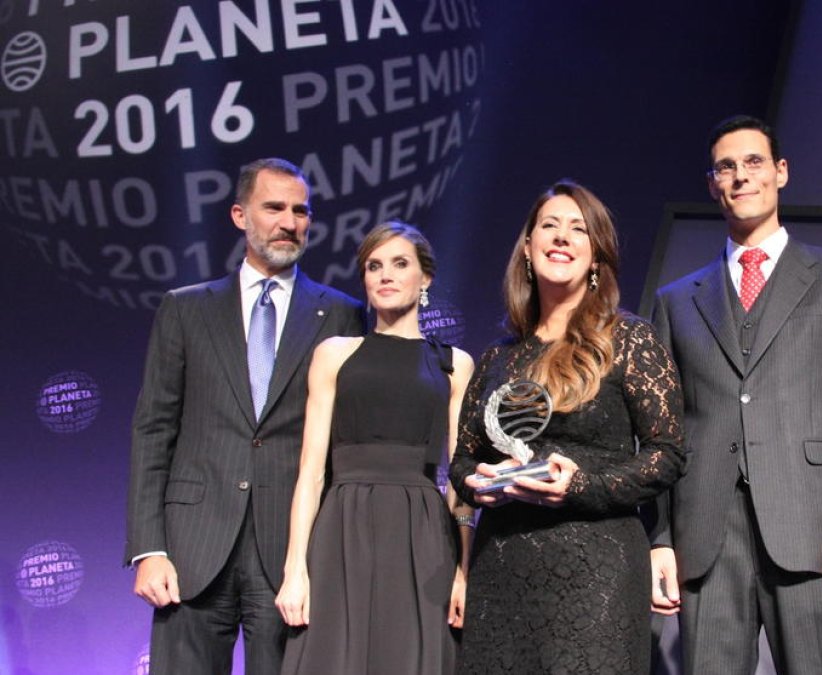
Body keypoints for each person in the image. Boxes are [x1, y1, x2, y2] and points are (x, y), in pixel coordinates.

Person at [649, 115, 822, 674]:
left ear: (780, 172)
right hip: (706, 533)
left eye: (754, 162)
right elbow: (662, 431)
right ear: (713, 183)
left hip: (812, 529)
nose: (741, 176)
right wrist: (660, 537)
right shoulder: (676, 301)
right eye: (726, 167)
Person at [124, 158, 365, 674]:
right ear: (240, 215)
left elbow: (345, 442)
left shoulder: (341, 314)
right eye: (273, 207)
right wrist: (148, 548)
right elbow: (153, 429)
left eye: (300, 210)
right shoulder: (186, 309)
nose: (289, 222)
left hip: (289, 553)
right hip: (191, 549)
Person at [449, 179, 686, 674]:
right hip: (502, 573)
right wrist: (477, 483)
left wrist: (582, 486)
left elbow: (667, 453)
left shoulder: (629, 339)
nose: (561, 237)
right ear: (529, 249)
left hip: (595, 571)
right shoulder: (498, 358)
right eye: (549, 227)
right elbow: (462, 460)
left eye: (578, 229)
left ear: (596, 258)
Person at [275, 222, 474, 674]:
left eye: (399, 264)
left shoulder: (453, 364)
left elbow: (461, 483)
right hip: (342, 529)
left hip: (422, 536)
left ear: (425, 278)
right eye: (373, 266)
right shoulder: (335, 353)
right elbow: (311, 473)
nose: (384, 275)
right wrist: (295, 569)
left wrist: (464, 569)